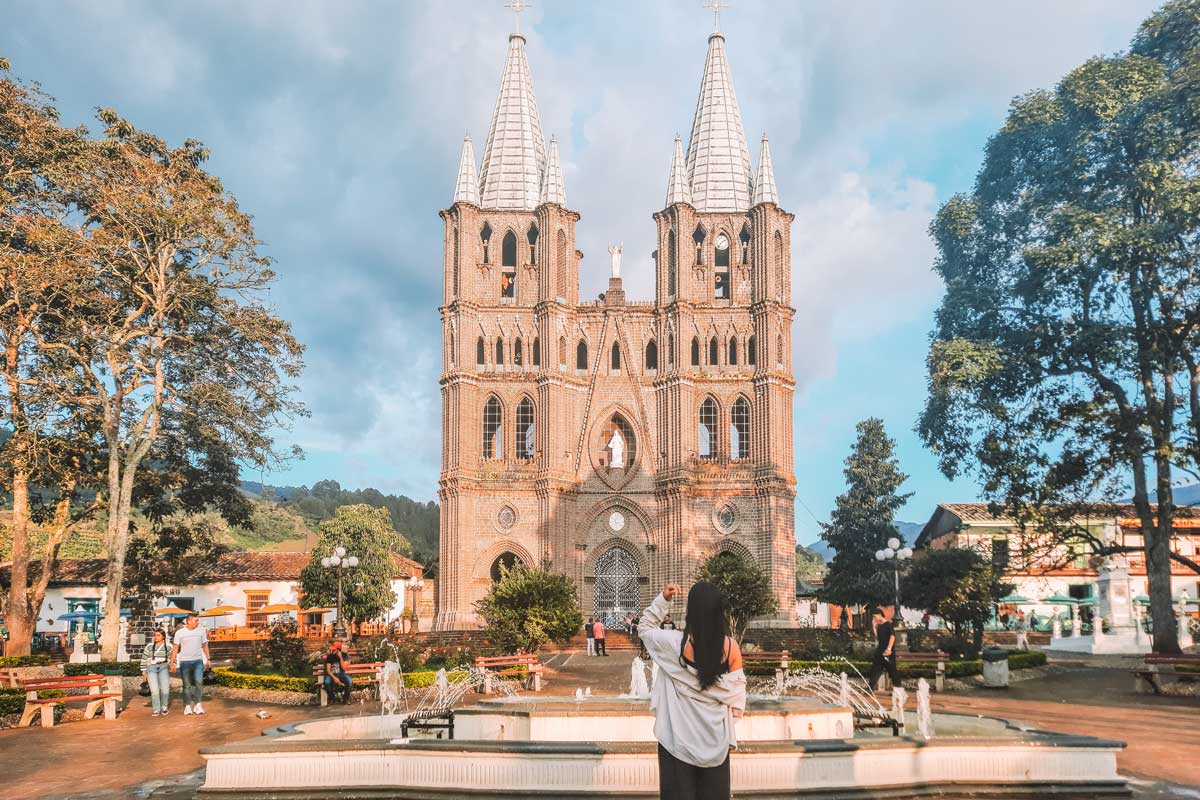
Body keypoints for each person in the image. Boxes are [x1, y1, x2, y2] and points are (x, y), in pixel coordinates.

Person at [638, 582, 745, 800]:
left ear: (690, 611)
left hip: (676, 743)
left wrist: (663, 600)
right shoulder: (731, 647)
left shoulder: (672, 643)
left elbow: (644, 628)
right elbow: (737, 700)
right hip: (715, 744)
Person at [170, 612, 210, 716]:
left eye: (198, 620)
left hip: (198, 661)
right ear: (189, 621)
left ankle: (198, 704)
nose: (198, 622)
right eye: (196, 620)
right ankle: (187, 706)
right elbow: (175, 648)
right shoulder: (180, 633)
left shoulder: (201, 631)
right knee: (186, 685)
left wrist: (208, 659)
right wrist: (172, 663)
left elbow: (205, 646)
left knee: (199, 683)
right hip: (185, 662)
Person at [141, 628, 172, 717]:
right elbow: (144, 659)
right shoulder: (149, 646)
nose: (156, 637)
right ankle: (156, 709)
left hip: (164, 667)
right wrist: (144, 672)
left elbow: (173, 658)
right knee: (154, 690)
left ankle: (164, 707)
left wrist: (172, 665)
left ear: (163, 637)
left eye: (158, 635)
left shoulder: (168, 646)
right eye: (155, 635)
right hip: (151, 668)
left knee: (165, 689)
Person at [867, 608, 899, 692]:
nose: (874, 619)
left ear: (879, 615)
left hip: (888, 652)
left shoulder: (888, 624)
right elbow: (879, 638)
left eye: (874, 616)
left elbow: (892, 636)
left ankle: (899, 690)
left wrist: (889, 649)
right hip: (880, 651)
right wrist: (874, 628)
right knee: (875, 670)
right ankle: (870, 689)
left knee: (892, 672)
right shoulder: (879, 626)